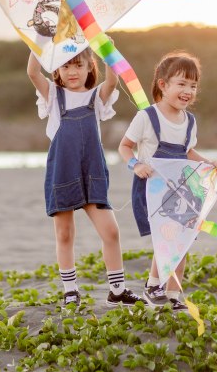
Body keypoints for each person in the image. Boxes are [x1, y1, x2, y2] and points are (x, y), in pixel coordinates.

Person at [27, 49, 143, 308]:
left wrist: (107, 50)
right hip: (63, 171)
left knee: (111, 231)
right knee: (65, 233)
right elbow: (33, 72)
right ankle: (70, 291)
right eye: (66, 67)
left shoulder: (95, 97)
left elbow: (113, 81)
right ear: (56, 71)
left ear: (91, 67)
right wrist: (38, 42)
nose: (72, 72)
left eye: (78, 65)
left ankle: (117, 289)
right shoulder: (54, 97)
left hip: (92, 172)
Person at [118, 51, 217, 311]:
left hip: (182, 190)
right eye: (182, 84)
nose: (188, 90)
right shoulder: (147, 117)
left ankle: (174, 293)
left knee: (183, 239)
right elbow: (124, 146)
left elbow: (187, 152)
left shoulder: (189, 122)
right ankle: (154, 286)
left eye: (193, 85)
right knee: (166, 238)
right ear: (163, 85)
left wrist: (209, 163)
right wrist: (136, 164)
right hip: (153, 188)